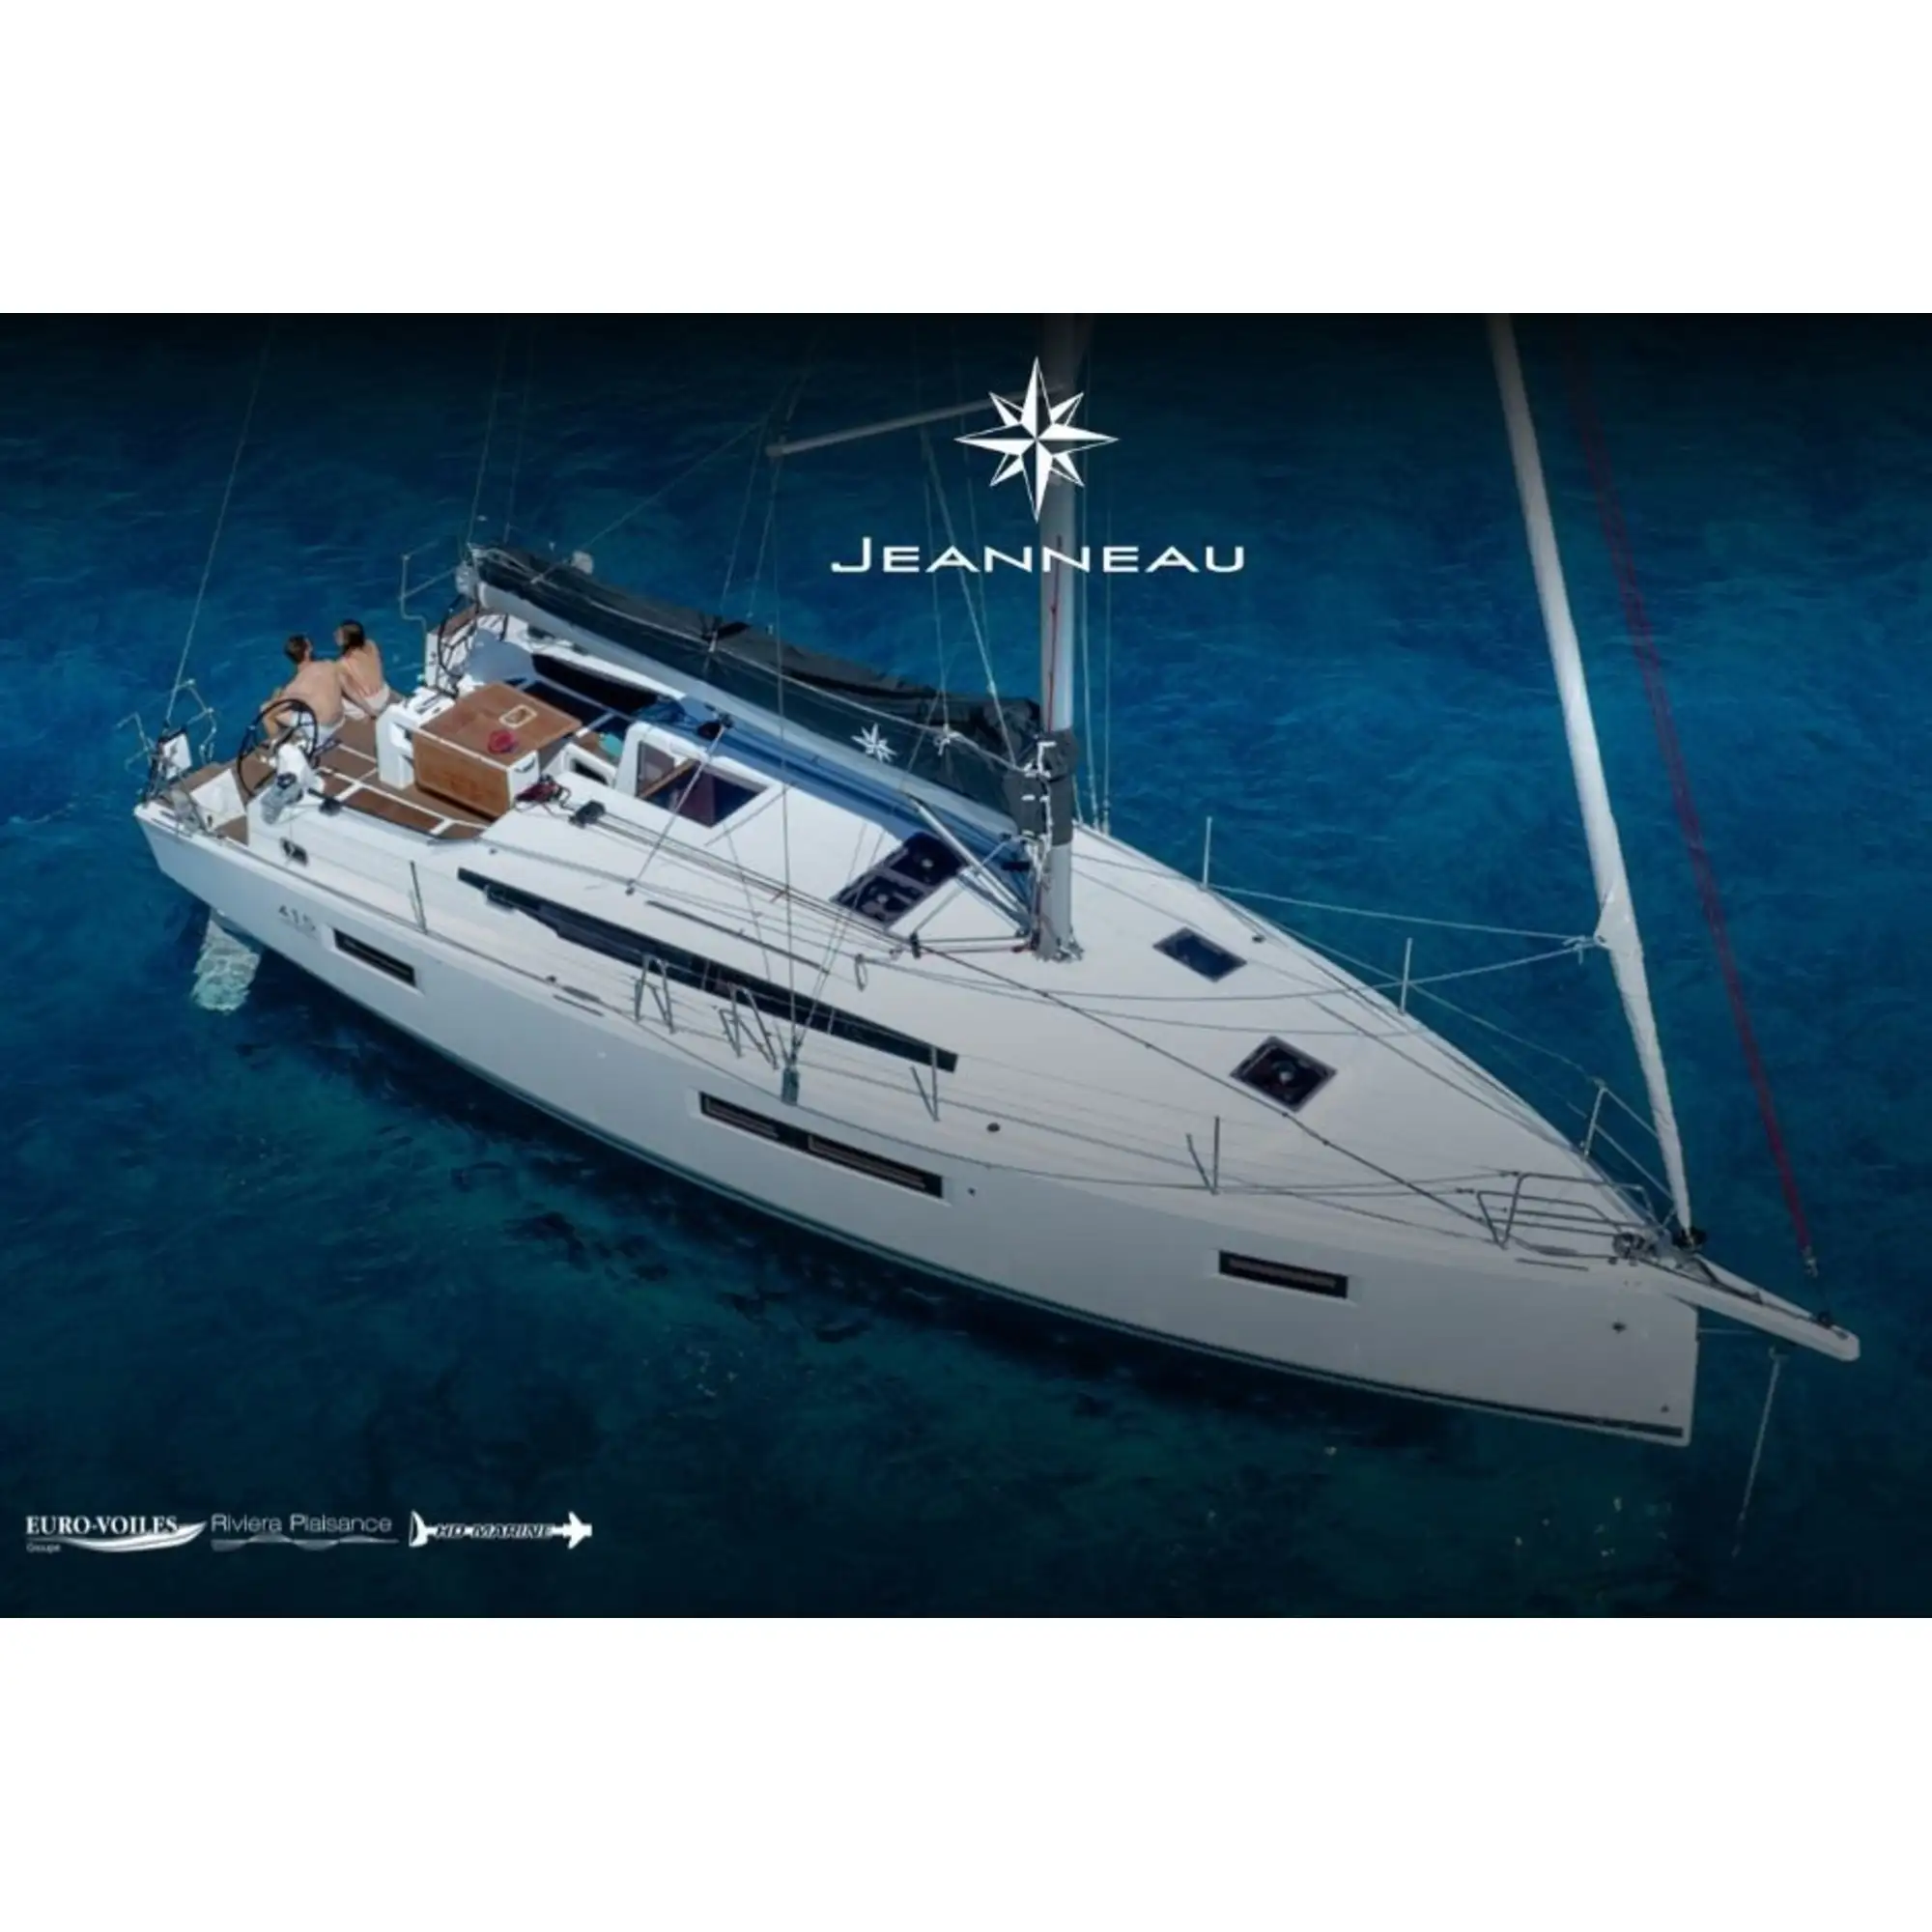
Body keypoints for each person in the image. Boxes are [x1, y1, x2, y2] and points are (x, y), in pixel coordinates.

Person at [266, 633, 346, 746]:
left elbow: (273, 710)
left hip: (322, 731)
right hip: (340, 720)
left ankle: (279, 747)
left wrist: (275, 697)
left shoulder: (295, 686)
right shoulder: (328, 664)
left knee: (265, 709)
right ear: (308, 651)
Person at [335, 618, 393, 721]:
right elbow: (379, 665)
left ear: (347, 641)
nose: (335, 634)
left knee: (335, 693)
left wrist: (371, 711)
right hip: (384, 692)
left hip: (371, 704)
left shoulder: (342, 664)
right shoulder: (372, 644)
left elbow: (351, 693)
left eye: (339, 634)